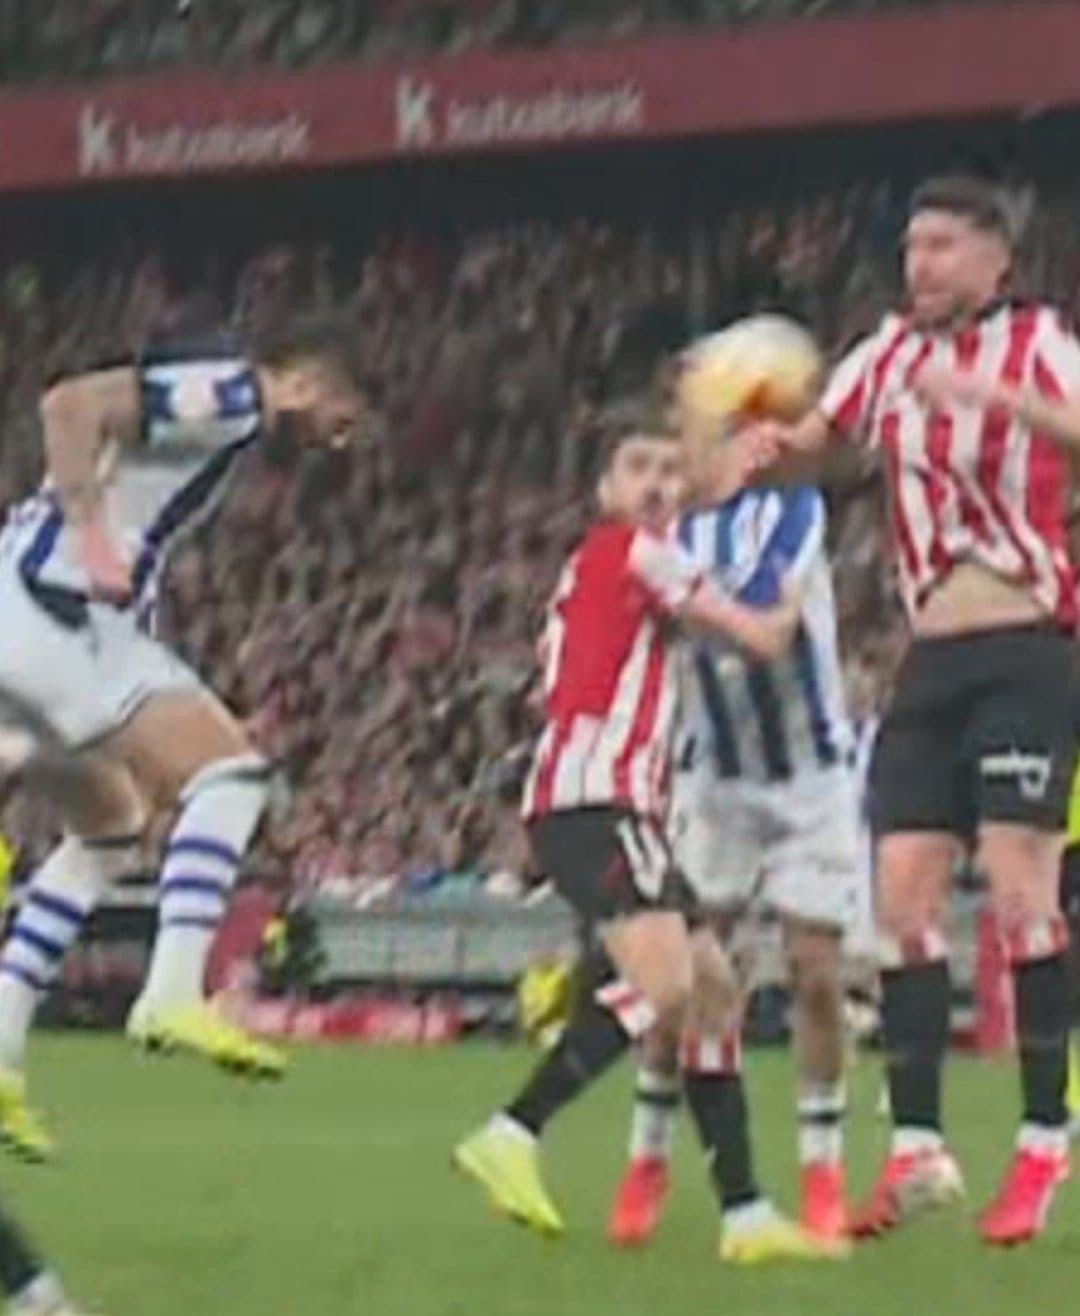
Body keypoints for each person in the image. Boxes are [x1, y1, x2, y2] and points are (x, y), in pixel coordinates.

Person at [742, 174, 1080, 1246]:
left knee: (1022, 889)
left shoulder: (1039, 344)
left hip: (1029, 646)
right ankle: (921, 1146)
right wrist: (769, 445)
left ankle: (1044, 1139)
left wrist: (999, 400)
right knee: (902, 900)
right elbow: (823, 437)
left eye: (943, 244)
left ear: (996, 258)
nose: (920, 263)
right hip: (930, 659)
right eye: (912, 246)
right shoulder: (886, 352)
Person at [452, 401, 843, 1263]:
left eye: (670, 469)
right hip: (598, 801)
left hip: (608, 803)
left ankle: (745, 1216)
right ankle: (513, 1132)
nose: (659, 484)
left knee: (713, 990)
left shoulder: (615, 562)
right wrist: (794, 570)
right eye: (639, 468)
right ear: (604, 488)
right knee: (667, 988)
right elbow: (761, 637)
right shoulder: (637, 550)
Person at [0, 315, 363, 1158]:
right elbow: (69, 404)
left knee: (111, 825)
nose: (342, 436)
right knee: (231, 776)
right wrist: (91, 538)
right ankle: (171, 991)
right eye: (344, 412)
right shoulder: (235, 395)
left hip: (40, 611)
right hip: (51, 615)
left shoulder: (218, 437)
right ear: (305, 381)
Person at [607, 430, 857, 1248]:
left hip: (811, 777)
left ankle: (822, 1171)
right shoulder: (669, 532)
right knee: (679, 978)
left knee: (816, 973)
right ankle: (648, 1156)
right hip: (711, 780)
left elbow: (758, 603)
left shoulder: (796, 510)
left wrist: (690, 596)